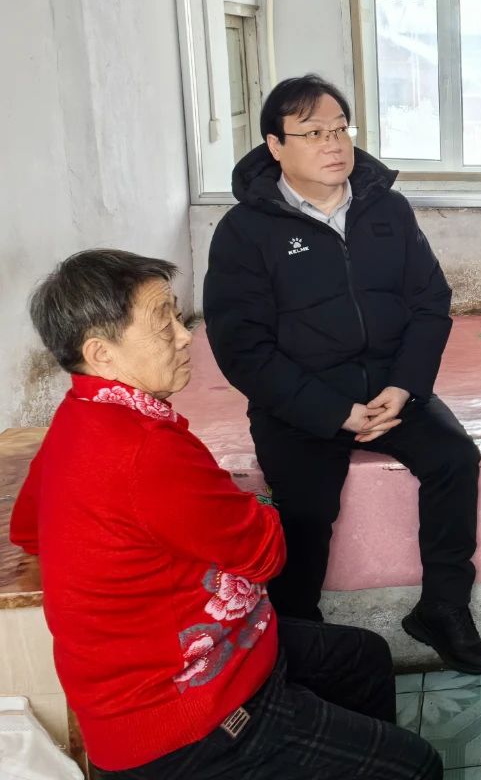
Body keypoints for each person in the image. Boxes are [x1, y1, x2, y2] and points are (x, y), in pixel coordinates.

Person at [10, 249, 441, 779]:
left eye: (178, 316)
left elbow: (27, 529)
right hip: (188, 712)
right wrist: (248, 504)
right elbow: (268, 553)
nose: (185, 336)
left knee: (362, 657)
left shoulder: (78, 415)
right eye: (163, 323)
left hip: (223, 648)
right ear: (101, 352)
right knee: (417, 766)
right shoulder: (146, 450)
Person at [203, 74, 481, 674]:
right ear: (275, 146)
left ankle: (443, 608)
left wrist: (403, 386)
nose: (334, 144)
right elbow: (242, 348)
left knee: (454, 460)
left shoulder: (386, 209)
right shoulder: (245, 232)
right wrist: (332, 412)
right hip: (301, 403)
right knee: (305, 511)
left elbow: (430, 302)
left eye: (340, 129)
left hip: (390, 388)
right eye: (313, 133)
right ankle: (300, 637)